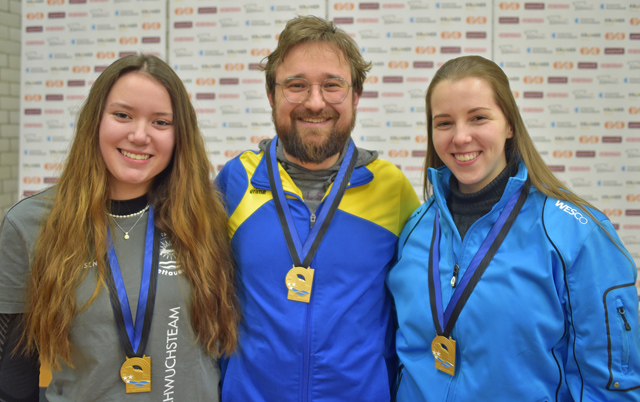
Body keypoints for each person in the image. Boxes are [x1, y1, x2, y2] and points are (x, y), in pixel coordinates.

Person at [387, 55, 640, 401]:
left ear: (509, 125)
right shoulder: (415, 230)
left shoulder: (575, 233)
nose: (460, 137)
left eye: (478, 118)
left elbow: (611, 385)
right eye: (444, 123)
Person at [0, 54, 238, 401]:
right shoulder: (31, 224)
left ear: (179, 135)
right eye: (122, 115)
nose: (139, 135)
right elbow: (13, 374)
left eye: (160, 122)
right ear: (95, 120)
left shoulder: (207, 216)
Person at [215, 15, 420, 402]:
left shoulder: (391, 188)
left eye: (332, 86)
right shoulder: (234, 181)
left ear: (355, 96)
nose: (314, 101)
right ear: (271, 95)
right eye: (296, 86)